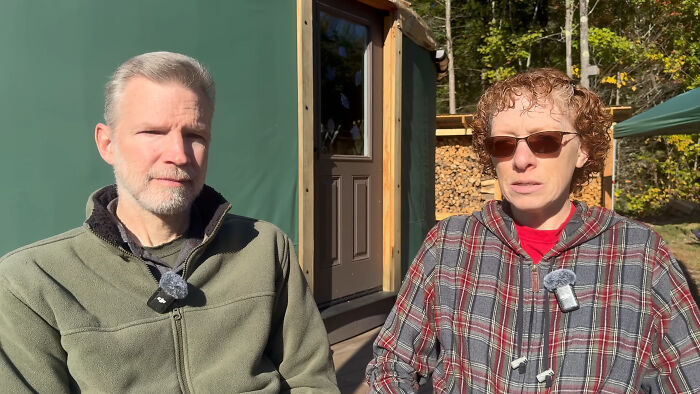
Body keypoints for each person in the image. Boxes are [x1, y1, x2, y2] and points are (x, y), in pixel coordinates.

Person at [0, 51, 339, 393]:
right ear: (107, 143)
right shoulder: (33, 281)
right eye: (153, 131)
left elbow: (311, 379)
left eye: (195, 135)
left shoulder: (264, 247)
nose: (178, 154)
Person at [366, 68, 700, 393]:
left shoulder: (639, 253)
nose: (521, 159)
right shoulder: (450, 244)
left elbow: (689, 377)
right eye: (503, 143)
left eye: (544, 141)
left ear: (582, 149)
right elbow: (392, 363)